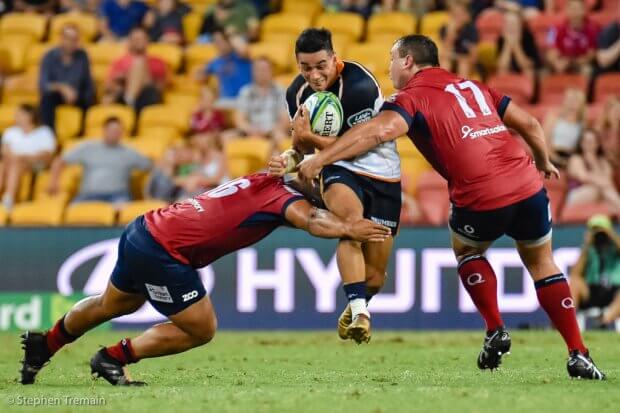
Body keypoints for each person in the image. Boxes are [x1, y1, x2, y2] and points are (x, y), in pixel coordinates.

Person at [299, 34, 606, 380]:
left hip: (480, 193)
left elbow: (378, 132)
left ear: (408, 62)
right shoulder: (474, 86)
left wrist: (320, 158)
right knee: (541, 261)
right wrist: (544, 162)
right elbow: (531, 124)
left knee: (467, 252)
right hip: (527, 184)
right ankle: (578, 352)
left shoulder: (410, 97)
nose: (388, 67)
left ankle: (495, 328)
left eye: (392, 59)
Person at [19, 173, 391, 386]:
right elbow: (310, 220)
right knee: (201, 328)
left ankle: (45, 344)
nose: (334, 198)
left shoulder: (266, 176)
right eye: (331, 189)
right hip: (164, 251)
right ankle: (111, 358)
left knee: (113, 303)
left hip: (145, 228)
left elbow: (303, 183)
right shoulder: (285, 196)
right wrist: (348, 225)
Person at [270, 28, 402, 344]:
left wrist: (309, 142)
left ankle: (358, 302)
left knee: (374, 278)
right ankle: (361, 313)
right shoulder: (296, 95)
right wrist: (287, 160)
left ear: (333, 57)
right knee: (349, 225)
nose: (314, 75)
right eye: (305, 67)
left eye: (320, 65)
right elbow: (301, 149)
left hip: (381, 171)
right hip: (337, 169)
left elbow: (358, 143)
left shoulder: (358, 84)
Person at [47, 117, 151, 204]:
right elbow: (60, 161)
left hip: (118, 195)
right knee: (74, 211)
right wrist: (53, 182)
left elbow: (150, 165)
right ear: (104, 130)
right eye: (112, 131)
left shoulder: (129, 152)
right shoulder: (88, 147)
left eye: (118, 131)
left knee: (126, 213)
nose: (115, 134)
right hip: (88, 195)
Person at [38, 24, 95, 131]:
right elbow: (43, 85)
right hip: (56, 95)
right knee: (46, 99)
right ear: (61, 39)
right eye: (68, 39)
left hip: (77, 95)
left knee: (89, 99)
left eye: (74, 40)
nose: (71, 43)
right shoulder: (49, 56)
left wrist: (85, 96)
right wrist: (62, 88)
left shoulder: (83, 56)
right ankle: (49, 134)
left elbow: (87, 82)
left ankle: (81, 134)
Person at [0, 104, 56, 211]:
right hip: (12, 162)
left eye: (20, 114)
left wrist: (23, 157)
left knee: (15, 163)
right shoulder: (10, 132)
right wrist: (17, 158)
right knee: (3, 164)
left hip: (36, 163)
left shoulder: (44, 131)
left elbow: (47, 154)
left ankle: (9, 198)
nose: (16, 116)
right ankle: (7, 197)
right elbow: (5, 151)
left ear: (30, 115)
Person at [103, 26, 168, 114]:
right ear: (129, 41)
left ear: (147, 41)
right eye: (135, 39)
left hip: (147, 97)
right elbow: (108, 85)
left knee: (139, 63)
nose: (138, 42)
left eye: (141, 39)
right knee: (108, 99)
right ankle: (129, 101)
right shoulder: (119, 62)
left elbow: (161, 86)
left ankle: (129, 101)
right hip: (122, 93)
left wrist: (139, 77)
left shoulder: (157, 62)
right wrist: (122, 79)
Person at [570, 214, 620, 328]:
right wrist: (586, 246)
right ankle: (567, 323)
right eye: (594, 230)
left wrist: (610, 235)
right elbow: (575, 274)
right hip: (592, 291)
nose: (599, 233)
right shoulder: (589, 250)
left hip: (615, 291)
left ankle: (603, 321)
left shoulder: (616, 247)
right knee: (575, 283)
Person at [229, 57, 289, 143]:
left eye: (264, 69)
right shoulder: (246, 91)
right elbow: (239, 120)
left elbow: (285, 120)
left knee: (280, 136)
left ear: (271, 71)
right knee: (227, 137)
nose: (261, 73)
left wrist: (268, 132)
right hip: (250, 131)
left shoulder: (280, 91)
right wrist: (251, 130)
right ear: (253, 72)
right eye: (258, 69)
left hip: (273, 132)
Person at [565, 129, 620, 213]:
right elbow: (584, 177)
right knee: (599, 188)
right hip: (576, 195)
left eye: (591, 141)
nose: (588, 144)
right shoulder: (576, 159)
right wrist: (601, 180)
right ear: (581, 144)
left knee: (611, 204)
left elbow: (608, 179)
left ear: (597, 144)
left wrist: (594, 163)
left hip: (601, 194)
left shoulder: (603, 161)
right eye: (585, 141)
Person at [195, 29, 252, 107]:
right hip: (225, 101)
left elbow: (243, 49)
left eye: (221, 41)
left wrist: (231, 36)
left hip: (245, 99)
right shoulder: (215, 62)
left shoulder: (240, 55)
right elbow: (199, 77)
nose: (218, 45)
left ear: (229, 41)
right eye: (215, 42)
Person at [546, 0, 599, 78]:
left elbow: (591, 55)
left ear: (584, 10)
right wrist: (556, 62)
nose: (575, 13)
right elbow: (550, 52)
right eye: (572, 9)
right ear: (566, 11)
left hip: (581, 64)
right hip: (562, 62)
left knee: (587, 70)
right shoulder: (554, 28)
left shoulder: (594, 29)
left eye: (578, 9)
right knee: (543, 72)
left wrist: (572, 63)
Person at [542, 88, 587, 168]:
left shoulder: (582, 124)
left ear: (581, 104)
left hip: (572, 159)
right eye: (570, 100)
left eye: (576, 101)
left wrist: (569, 162)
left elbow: (582, 148)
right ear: (564, 101)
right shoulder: (553, 118)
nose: (573, 104)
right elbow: (543, 143)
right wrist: (557, 159)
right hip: (552, 155)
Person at [495, 8, 541, 84]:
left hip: (525, 71)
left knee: (529, 71)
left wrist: (516, 45)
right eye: (508, 24)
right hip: (509, 71)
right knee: (501, 71)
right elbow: (502, 66)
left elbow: (526, 65)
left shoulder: (528, 37)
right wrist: (507, 44)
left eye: (513, 23)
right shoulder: (501, 39)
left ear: (520, 24)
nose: (511, 27)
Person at [439, 0, 479, 78]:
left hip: (466, 62)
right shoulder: (445, 29)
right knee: (445, 63)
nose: (457, 18)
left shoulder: (471, 30)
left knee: (463, 64)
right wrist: (451, 33)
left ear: (467, 16)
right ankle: (443, 87)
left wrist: (460, 58)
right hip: (451, 58)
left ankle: (463, 88)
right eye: (455, 15)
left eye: (460, 14)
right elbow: (444, 52)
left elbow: (474, 57)